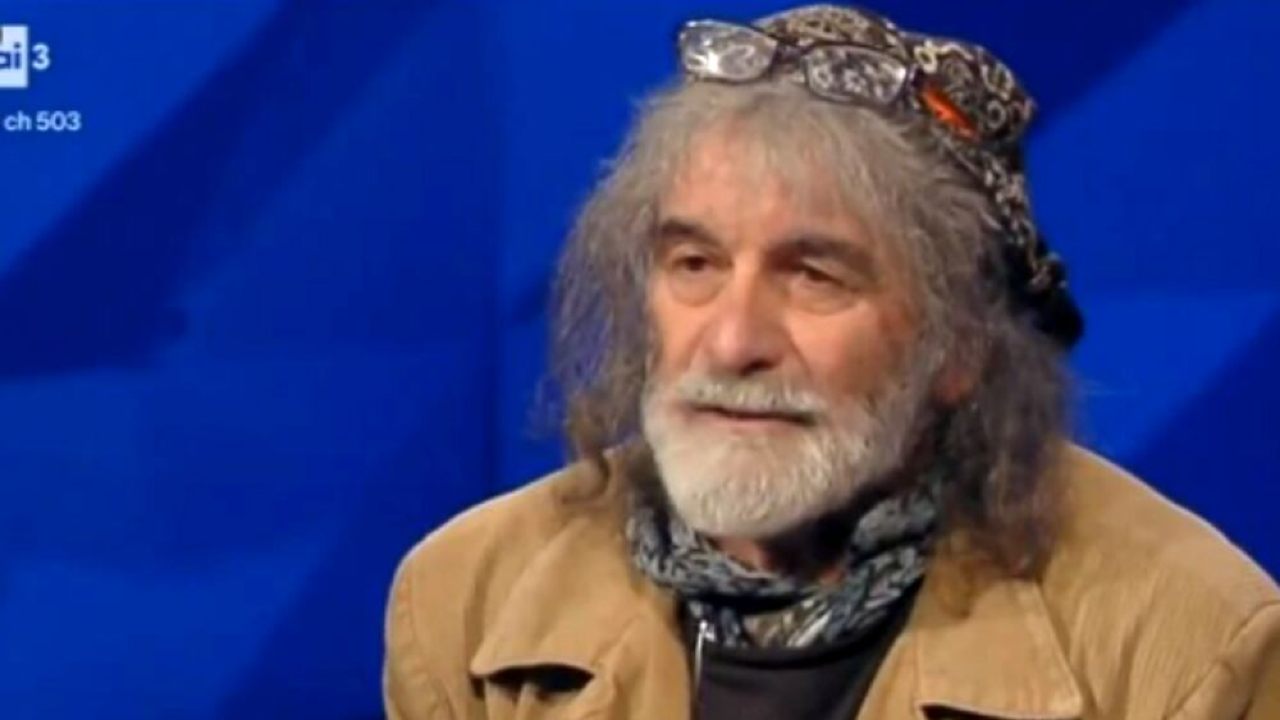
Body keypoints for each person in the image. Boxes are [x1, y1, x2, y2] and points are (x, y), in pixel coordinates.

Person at [383, 5, 1280, 719]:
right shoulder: (469, 597)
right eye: (693, 264)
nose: (732, 342)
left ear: (959, 345)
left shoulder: (1191, 646)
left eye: (814, 276)